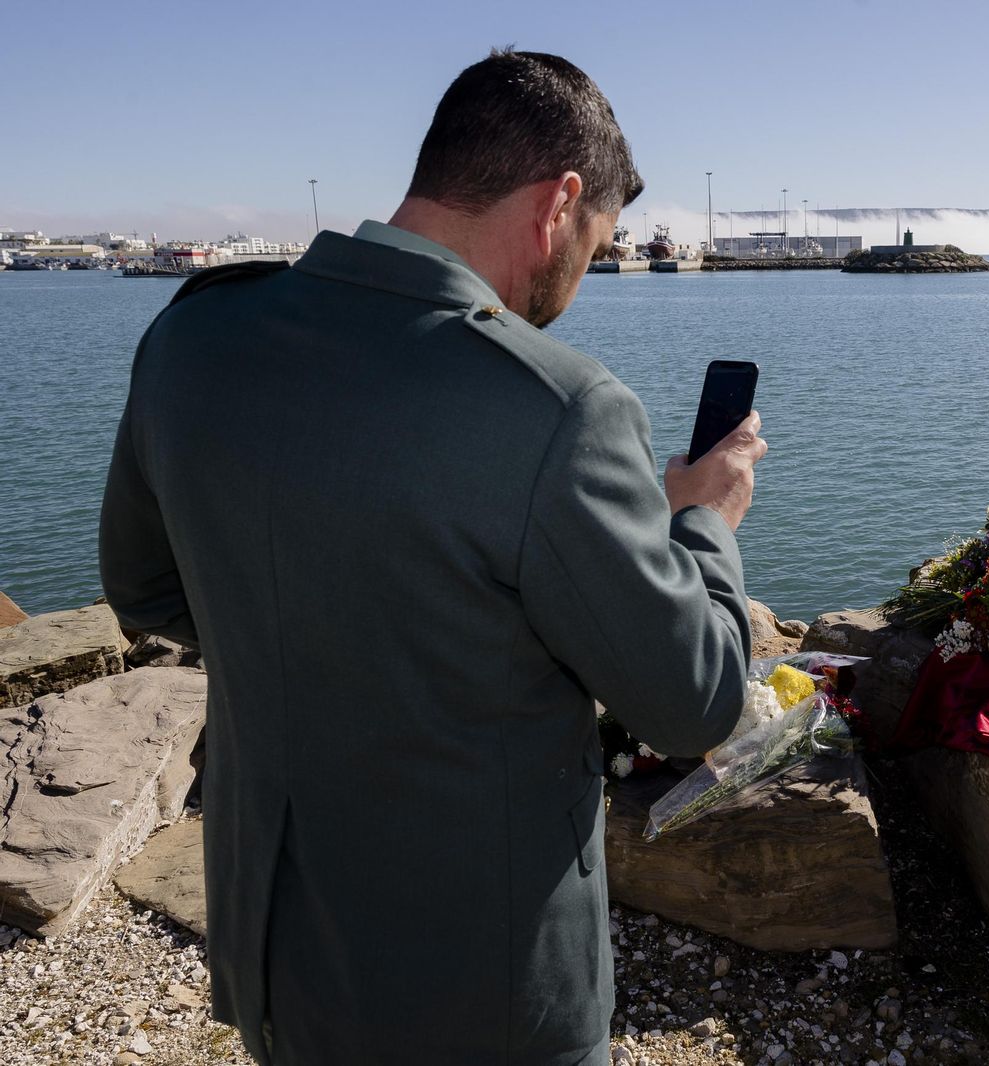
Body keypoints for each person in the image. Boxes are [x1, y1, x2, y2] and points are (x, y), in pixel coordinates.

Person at [98, 50, 766, 1066]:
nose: (583, 276)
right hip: (476, 990)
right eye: (598, 241)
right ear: (559, 203)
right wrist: (705, 522)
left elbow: (145, 587)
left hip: (272, 937)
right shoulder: (558, 410)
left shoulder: (196, 336)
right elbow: (693, 699)